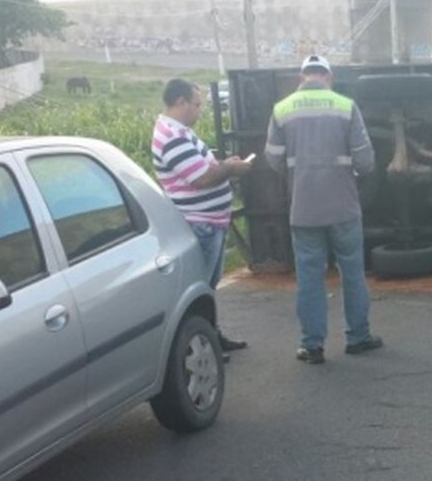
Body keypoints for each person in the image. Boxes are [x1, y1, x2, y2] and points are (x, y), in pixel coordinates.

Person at [265, 54, 380, 364]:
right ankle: (358, 337)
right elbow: (366, 162)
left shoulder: (282, 109)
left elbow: (273, 158)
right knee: (353, 273)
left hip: (304, 209)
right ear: (328, 78)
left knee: (309, 277)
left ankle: (312, 345)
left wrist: (298, 173)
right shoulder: (346, 107)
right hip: (343, 206)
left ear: (301, 77)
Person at [151, 78, 251, 354]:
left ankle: (210, 336)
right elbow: (202, 178)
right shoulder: (172, 138)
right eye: (196, 105)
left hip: (208, 221)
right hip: (200, 223)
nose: (199, 111)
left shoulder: (179, 132)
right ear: (180, 102)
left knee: (207, 287)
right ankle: (200, 345)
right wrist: (230, 169)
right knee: (198, 291)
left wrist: (223, 165)